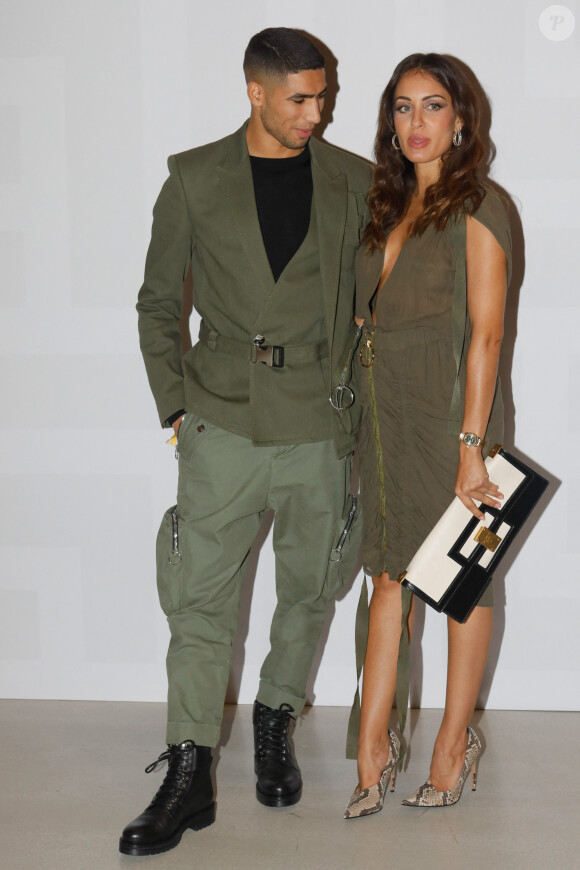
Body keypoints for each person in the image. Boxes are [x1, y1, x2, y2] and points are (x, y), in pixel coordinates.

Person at [119, 27, 371, 856]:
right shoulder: (192, 178)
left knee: (310, 589)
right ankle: (189, 772)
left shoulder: (353, 182)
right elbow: (159, 303)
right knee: (199, 602)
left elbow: (377, 310)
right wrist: (175, 407)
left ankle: (273, 722)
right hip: (222, 417)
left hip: (318, 422)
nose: (316, 113)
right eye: (301, 98)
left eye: (323, 97)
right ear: (255, 91)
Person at [343, 53, 511, 818]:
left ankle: (451, 744)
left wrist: (471, 446)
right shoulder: (384, 207)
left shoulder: (482, 205)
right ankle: (374, 753)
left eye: (433, 106)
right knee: (388, 581)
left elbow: (485, 337)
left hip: (453, 423)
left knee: (461, 593)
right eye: (402, 108)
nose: (415, 123)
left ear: (462, 119)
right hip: (387, 421)